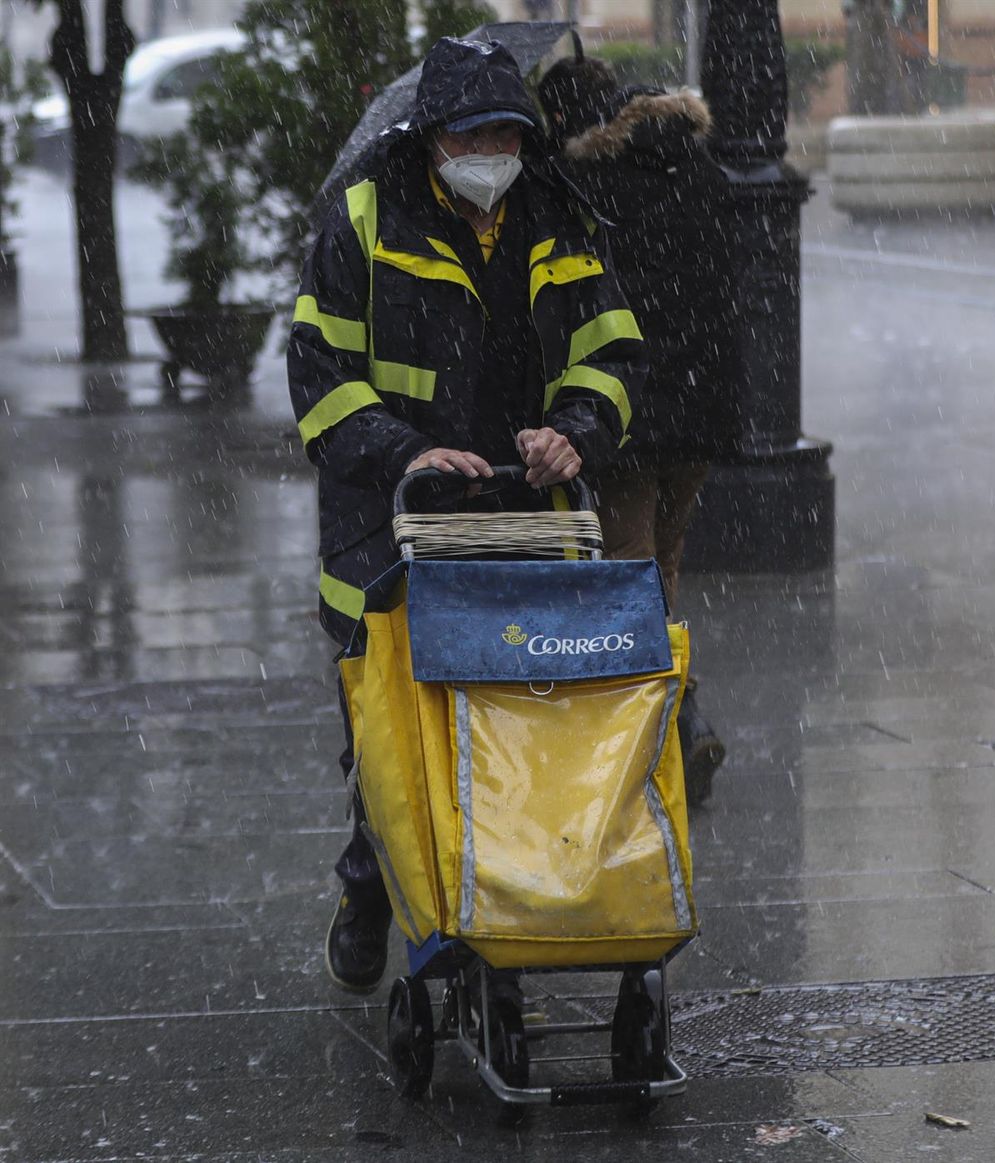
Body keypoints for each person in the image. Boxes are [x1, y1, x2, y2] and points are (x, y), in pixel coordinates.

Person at [288, 37, 647, 994]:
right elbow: (320, 380)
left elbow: (611, 351)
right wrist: (407, 452)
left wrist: (574, 429)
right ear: (433, 140)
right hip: (387, 531)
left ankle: (502, 898)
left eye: (507, 131)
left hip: (521, 521)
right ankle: (370, 884)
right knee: (389, 739)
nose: (493, 148)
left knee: (509, 728)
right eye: (474, 133)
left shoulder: (554, 217)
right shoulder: (365, 222)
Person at [537, 55, 734, 807]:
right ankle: (674, 719)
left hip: (629, 413)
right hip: (701, 411)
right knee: (663, 566)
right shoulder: (699, 163)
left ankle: (672, 726)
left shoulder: (588, 185)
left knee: (627, 575)